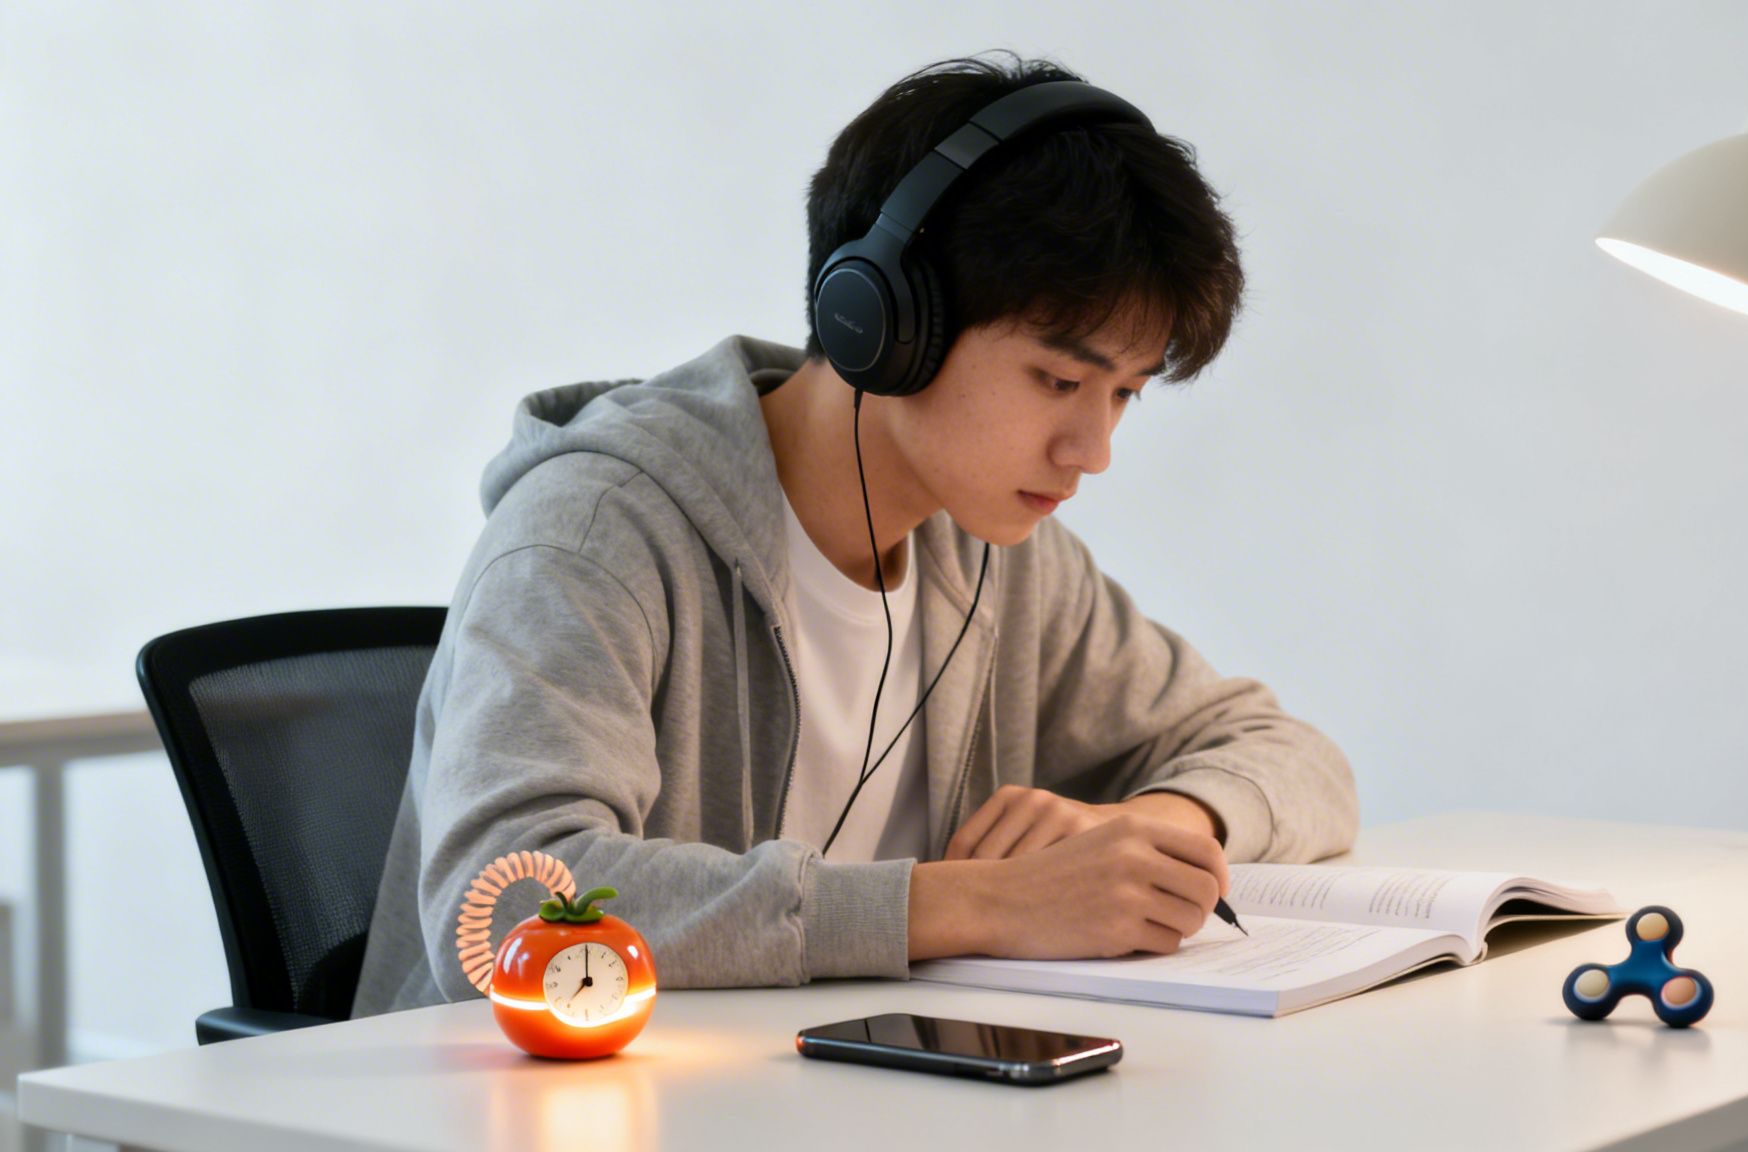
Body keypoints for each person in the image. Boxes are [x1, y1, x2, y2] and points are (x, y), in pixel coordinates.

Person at [353, 53, 1357, 1016]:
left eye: (1124, 393)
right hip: (520, 1100)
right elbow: (505, 908)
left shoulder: (998, 559)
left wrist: (1150, 832)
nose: (1092, 451)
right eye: (1058, 380)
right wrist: (980, 904)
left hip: (810, 1092)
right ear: (882, 323)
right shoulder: (593, 535)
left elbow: (1292, 755)